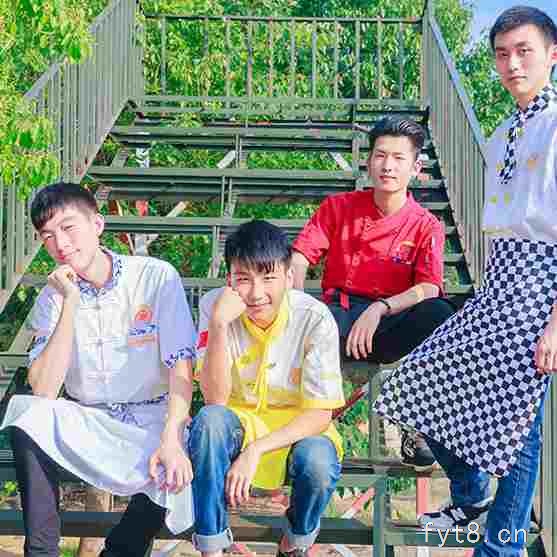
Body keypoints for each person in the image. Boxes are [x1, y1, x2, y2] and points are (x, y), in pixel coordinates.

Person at [374, 6, 557, 556]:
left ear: (552, 55)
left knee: (519, 428)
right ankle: (473, 491)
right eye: (502, 54)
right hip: (500, 278)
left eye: (523, 51)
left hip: (541, 281)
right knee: (419, 382)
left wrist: (554, 323)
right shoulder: (503, 132)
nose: (512, 64)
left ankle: (502, 546)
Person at [0, 182, 196, 557]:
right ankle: (41, 551)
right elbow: (44, 389)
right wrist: (70, 301)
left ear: (98, 224)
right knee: (26, 414)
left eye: (69, 227)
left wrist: (172, 437)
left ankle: (119, 551)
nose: (60, 243)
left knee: (175, 469)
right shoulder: (53, 296)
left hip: (151, 420)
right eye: (48, 236)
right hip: (88, 419)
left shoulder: (155, 277)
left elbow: (180, 366)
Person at [291, 116, 455, 469]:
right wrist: (296, 305)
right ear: (368, 161)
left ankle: (416, 421)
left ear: (416, 168)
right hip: (336, 317)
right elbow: (301, 256)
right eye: (380, 155)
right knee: (297, 319)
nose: (387, 166)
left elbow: (428, 286)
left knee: (441, 312)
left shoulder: (426, 225)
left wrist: (380, 308)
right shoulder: (339, 207)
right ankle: (291, 425)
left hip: (387, 322)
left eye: (398, 158)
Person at [190, 220, 345, 557]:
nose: (256, 293)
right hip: (237, 423)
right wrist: (218, 325)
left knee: (319, 464)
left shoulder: (314, 317)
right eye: (244, 279)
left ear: (289, 277)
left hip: (297, 428)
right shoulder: (215, 307)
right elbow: (215, 399)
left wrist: (256, 450)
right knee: (209, 422)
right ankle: (212, 547)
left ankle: (294, 542)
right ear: (230, 279)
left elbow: (320, 414)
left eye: (268, 277)